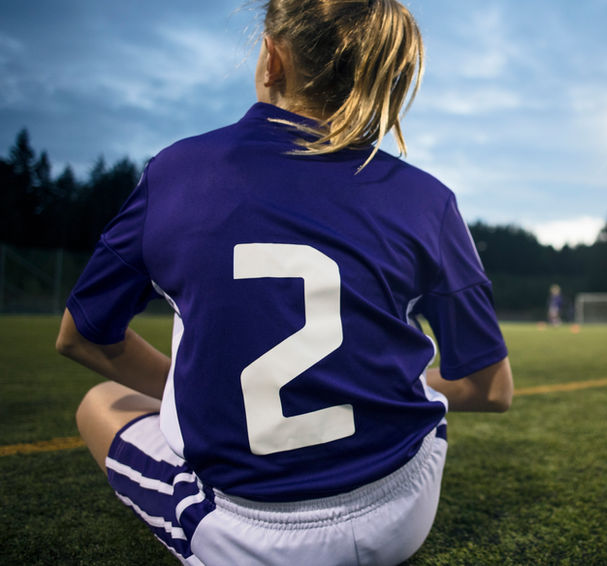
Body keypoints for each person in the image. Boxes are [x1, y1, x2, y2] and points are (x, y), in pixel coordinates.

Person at [55, 2, 513, 564]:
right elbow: (493, 390)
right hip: (402, 512)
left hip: (248, 536)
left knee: (98, 402)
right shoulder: (428, 199)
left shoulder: (177, 172)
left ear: (272, 57)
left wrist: (199, 391)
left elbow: (81, 336)